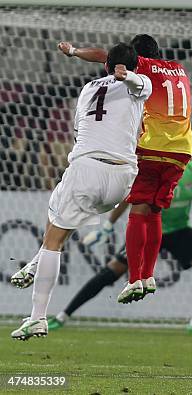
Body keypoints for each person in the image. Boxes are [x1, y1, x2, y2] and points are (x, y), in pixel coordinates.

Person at [10, 43, 152, 340]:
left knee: (55, 238)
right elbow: (140, 84)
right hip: (123, 178)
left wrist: (119, 74)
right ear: (135, 65)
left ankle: (37, 317)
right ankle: (36, 263)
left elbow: (83, 128)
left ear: (105, 67)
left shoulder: (88, 89)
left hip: (87, 167)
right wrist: (129, 78)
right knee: (57, 204)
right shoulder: (140, 84)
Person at [56, 34, 192, 303]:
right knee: (154, 212)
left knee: (138, 212)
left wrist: (74, 51)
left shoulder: (138, 66)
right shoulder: (179, 68)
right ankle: (149, 275)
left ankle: (134, 280)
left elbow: (103, 56)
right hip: (182, 151)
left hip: (152, 147)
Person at [45, 161, 192, 334]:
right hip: (148, 229)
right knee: (111, 271)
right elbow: (130, 198)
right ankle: (63, 315)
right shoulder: (154, 169)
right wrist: (108, 226)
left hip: (179, 232)